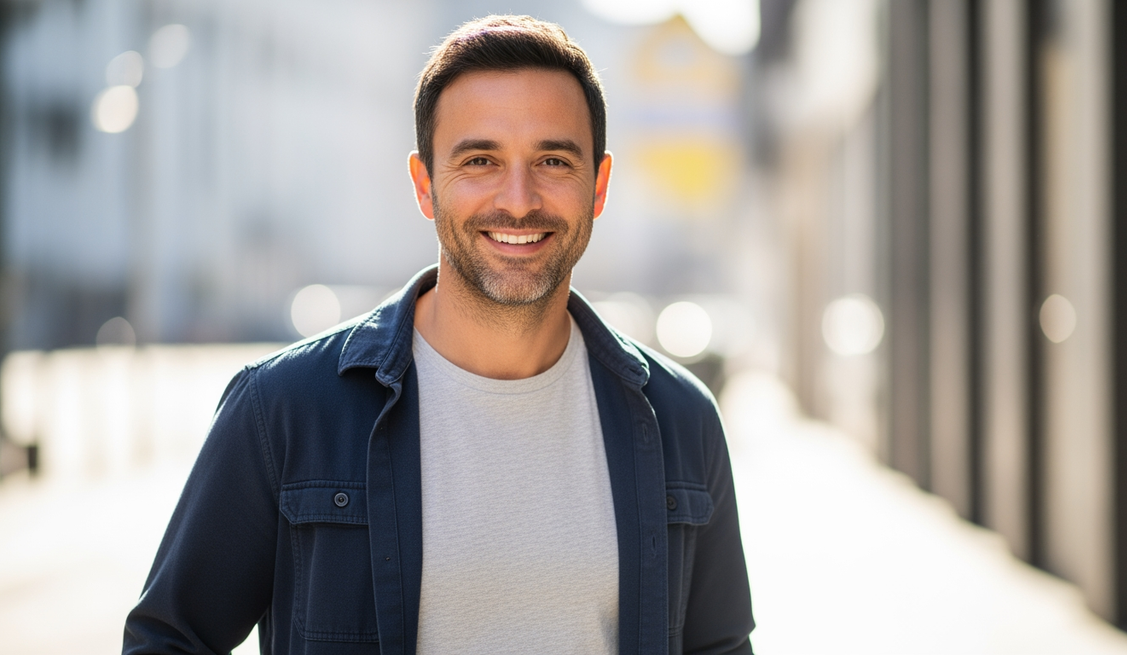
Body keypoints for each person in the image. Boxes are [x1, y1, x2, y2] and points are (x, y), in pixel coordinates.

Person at [123, 15, 754, 655]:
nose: (518, 199)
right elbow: (169, 640)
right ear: (426, 186)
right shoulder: (284, 410)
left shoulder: (681, 420)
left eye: (553, 160)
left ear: (599, 185)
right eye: (480, 160)